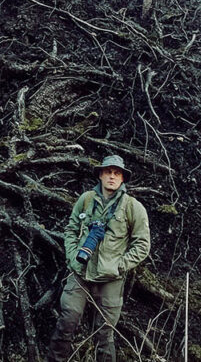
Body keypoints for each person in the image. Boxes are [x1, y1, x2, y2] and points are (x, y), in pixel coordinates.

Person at [46, 155, 151, 362]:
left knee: (104, 333)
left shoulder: (132, 206)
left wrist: (119, 266)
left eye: (117, 173)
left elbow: (142, 245)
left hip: (111, 279)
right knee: (67, 321)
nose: (112, 176)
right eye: (108, 172)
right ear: (101, 175)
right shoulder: (86, 200)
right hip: (80, 272)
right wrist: (73, 257)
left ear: (122, 178)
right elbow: (71, 230)